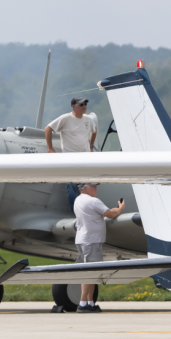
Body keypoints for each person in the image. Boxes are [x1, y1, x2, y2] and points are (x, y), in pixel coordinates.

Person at [73, 184, 125, 313]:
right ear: (84, 188)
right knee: (89, 272)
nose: (96, 188)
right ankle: (82, 304)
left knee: (92, 271)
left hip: (84, 239)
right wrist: (120, 208)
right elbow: (111, 214)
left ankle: (90, 302)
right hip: (91, 241)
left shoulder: (78, 199)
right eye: (93, 186)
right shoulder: (93, 201)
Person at [45, 97, 98, 210]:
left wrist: (91, 146)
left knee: (89, 184)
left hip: (85, 157)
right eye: (81, 105)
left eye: (85, 104)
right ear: (73, 106)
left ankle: (89, 209)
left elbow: (94, 130)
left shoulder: (88, 119)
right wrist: (50, 148)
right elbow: (48, 128)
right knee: (71, 185)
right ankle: (77, 211)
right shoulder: (65, 118)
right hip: (70, 158)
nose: (84, 106)